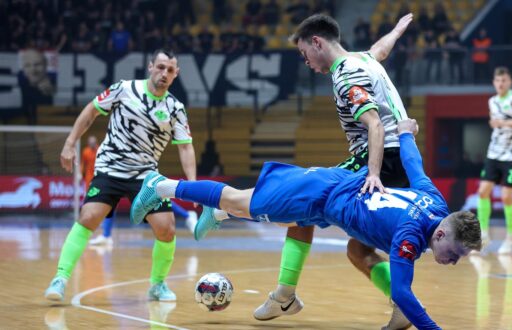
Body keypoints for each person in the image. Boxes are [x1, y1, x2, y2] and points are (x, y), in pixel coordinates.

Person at [131, 119, 482, 330]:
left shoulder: (435, 202)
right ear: (440, 233)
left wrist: (406, 134)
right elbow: (405, 291)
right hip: (319, 196)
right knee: (237, 199)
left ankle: (223, 218)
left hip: (334, 195)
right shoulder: (409, 238)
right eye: (455, 252)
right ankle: (161, 185)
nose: (454, 260)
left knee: (352, 249)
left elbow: (414, 164)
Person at [235, 13, 414, 327]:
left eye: (305, 53)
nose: (306, 62)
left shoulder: (346, 73)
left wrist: (372, 173)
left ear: (317, 42)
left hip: (381, 159)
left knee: (301, 203)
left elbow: (374, 124)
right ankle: (405, 306)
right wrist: (396, 32)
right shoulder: (364, 59)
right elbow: (380, 50)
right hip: (404, 159)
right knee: (358, 251)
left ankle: (227, 212)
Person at [44, 49, 196, 302]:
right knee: (88, 217)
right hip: (110, 169)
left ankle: (157, 285)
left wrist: (192, 185)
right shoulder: (124, 89)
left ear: (176, 74)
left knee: (167, 229)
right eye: (160, 67)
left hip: (146, 176)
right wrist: (70, 143)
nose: (164, 73)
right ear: (150, 67)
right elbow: (91, 111)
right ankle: (60, 278)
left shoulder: (175, 108)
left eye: (170, 70)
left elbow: (185, 146)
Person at [477, 67, 512, 254]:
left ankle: (511, 237)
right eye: (498, 81)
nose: (500, 84)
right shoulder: (492, 101)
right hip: (495, 151)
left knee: (506, 196)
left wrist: (505, 123)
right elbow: (495, 122)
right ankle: (483, 235)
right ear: (494, 82)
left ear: (510, 82)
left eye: (504, 80)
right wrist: (495, 124)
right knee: (483, 191)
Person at [18, 48, 56, 124]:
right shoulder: (21, 85)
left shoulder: (52, 84)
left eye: (37, 64)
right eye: (27, 65)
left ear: (45, 65)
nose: (33, 69)